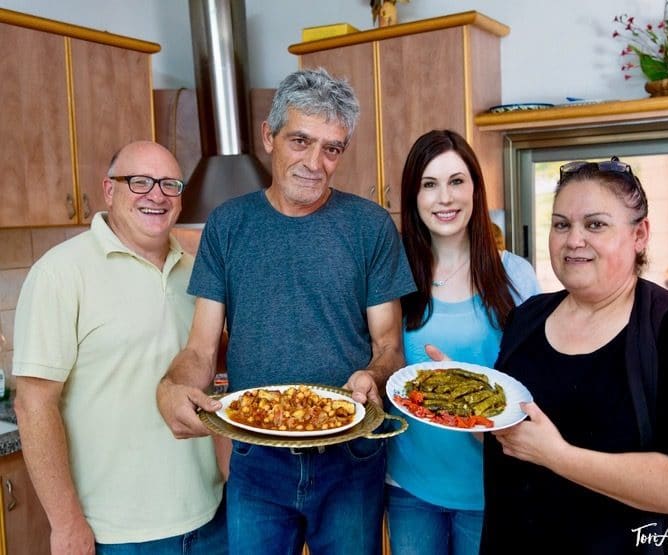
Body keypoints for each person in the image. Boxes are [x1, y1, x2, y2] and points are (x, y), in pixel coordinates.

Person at [155, 67, 416, 555]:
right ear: (268, 137)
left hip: (352, 456)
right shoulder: (227, 226)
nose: (314, 162)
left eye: (331, 148)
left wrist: (374, 376)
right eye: (300, 140)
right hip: (255, 457)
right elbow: (201, 348)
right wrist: (173, 386)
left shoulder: (371, 227)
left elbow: (389, 346)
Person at [479, 157, 668, 553]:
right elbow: (514, 438)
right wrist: (464, 402)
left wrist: (557, 455)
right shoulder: (528, 317)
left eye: (595, 224)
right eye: (562, 224)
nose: (574, 239)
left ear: (640, 235)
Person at [12, 141, 226, 554]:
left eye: (170, 184)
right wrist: (66, 524)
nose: (157, 195)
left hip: (211, 516)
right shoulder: (60, 273)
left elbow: (215, 375)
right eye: (140, 181)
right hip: (116, 534)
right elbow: (33, 405)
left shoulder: (196, 273)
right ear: (109, 190)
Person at [386, 129, 540, 555]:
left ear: (476, 187)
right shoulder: (392, 276)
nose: (445, 198)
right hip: (409, 489)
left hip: (492, 490)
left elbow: (538, 382)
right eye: (429, 185)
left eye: (457, 181)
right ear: (413, 196)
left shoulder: (516, 276)